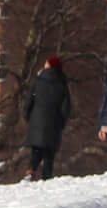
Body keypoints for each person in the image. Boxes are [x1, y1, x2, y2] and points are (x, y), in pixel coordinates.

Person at [22, 53, 71, 181]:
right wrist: (62, 123)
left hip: (36, 120)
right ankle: (46, 177)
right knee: (49, 153)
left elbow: (29, 101)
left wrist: (28, 116)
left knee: (36, 150)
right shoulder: (62, 83)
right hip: (54, 123)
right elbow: (66, 106)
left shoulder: (38, 81)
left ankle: (30, 171)